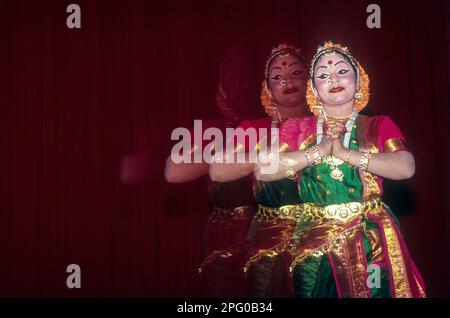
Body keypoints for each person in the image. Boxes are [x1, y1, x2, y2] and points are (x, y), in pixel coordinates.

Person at [264, 41, 426, 297]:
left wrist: (345, 154)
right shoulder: (297, 128)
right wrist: (319, 149)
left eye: (341, 71)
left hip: (371, 240)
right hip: (314, 245)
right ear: (314, 89)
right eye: (323, 75)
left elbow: (406, 167)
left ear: (358, 78)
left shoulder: (378, 124)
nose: (333, 79)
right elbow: (264, 170)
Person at [210, 44, 309, 297]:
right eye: (277, 76)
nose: (287, 80)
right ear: (267, 87)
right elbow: (218, 170)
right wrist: (266, 155)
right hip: (270, 240)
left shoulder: (330, 127)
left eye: (296, 73)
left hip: (323, 235)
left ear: (311, 78)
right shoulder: (253, 130)